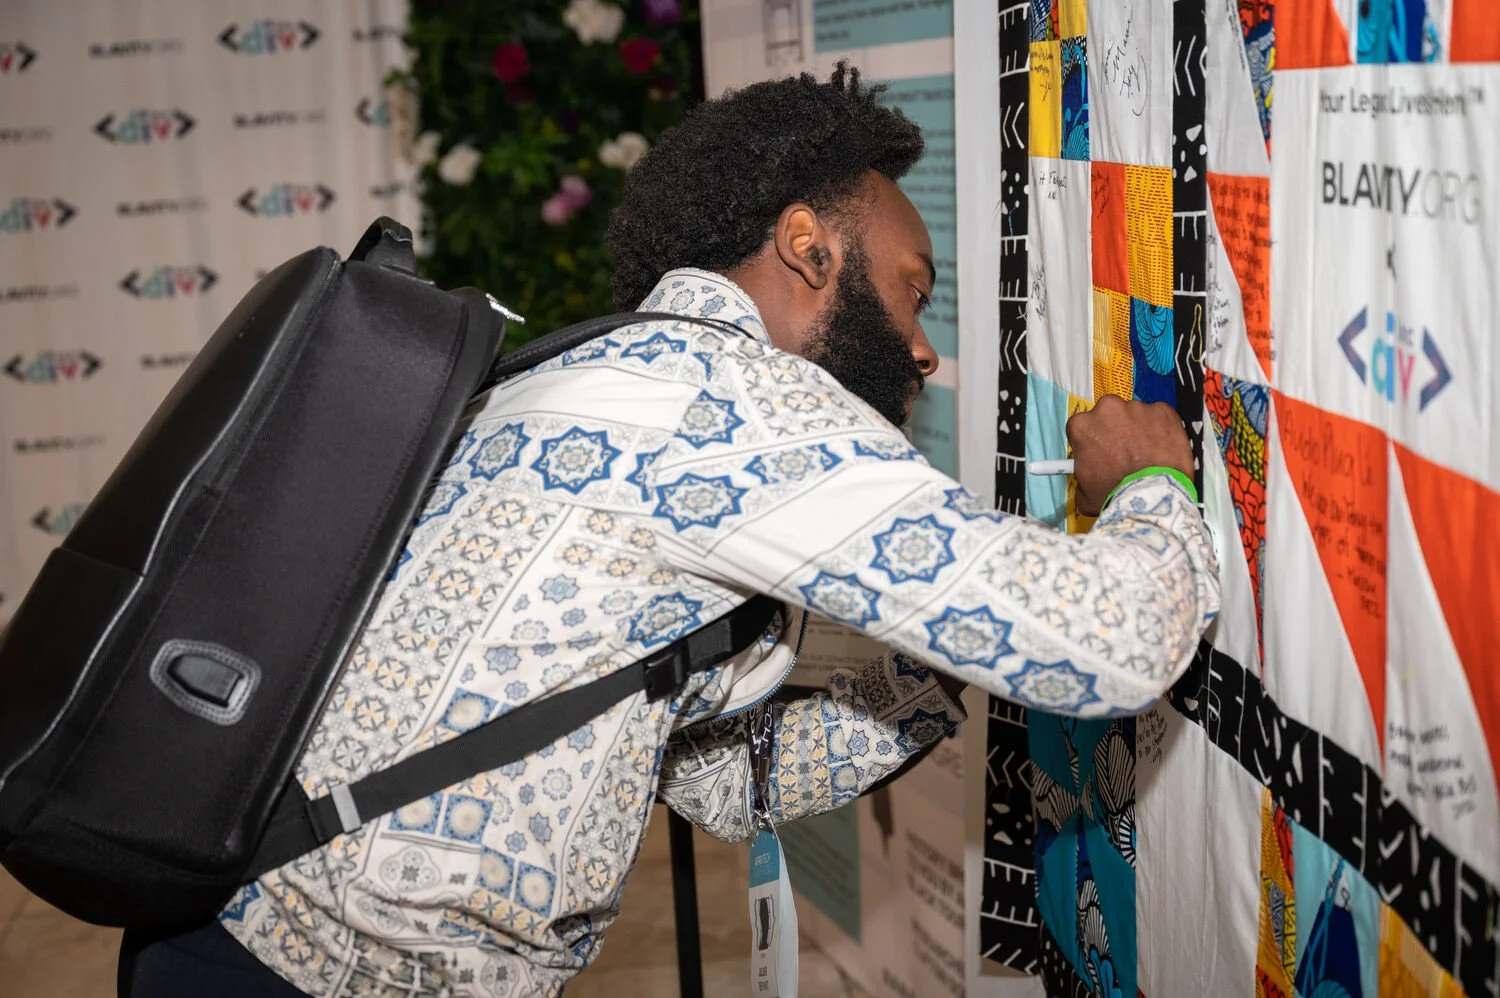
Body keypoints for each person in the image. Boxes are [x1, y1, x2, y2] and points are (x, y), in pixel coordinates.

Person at [119, 63, 1218, 997]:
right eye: (911, 291)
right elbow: (1110, 640)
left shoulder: (599, 365)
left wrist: (946, 655)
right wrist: (1152, 480)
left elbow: (721, 779)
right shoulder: (731, 405)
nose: (924, 350)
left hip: (219, 934)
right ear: (808, 248)